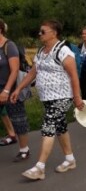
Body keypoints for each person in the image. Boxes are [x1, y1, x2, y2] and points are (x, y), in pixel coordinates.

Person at [11, 19, 84, 180]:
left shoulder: (63, 51)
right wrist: (18, 88)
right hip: (47, 98)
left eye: (43, 31)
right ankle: (70, 160)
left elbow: (74, 76)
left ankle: (40, 167)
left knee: (48, 125)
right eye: (39, 31)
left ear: (54, 33)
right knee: (60, 127)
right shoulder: (41, 51)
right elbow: (32, 73)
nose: (39, 34)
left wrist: (77, 98)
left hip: (62, 97)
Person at [0, 19, 30, 162]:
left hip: (10, 90)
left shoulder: (9, 46)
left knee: (18, 119)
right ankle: (11, 137)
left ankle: (24, 149)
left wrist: (6, 91)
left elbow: (14, 70)